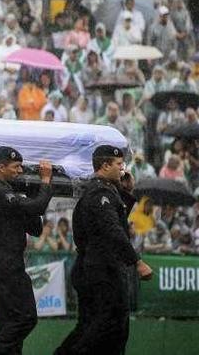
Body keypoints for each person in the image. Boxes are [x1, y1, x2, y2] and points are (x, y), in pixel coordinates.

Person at [56, 145, 153, 355]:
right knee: (108, 328)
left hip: (95, 267)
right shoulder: (100, 192)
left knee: (93, 328)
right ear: (105, 165)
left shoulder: (103, 192)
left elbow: (112, 220)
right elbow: (112, 230)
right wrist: (136, 261)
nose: (122, 169)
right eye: (119, 164)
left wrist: (126, 193)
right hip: (103, 269)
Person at [0, 147, 54, 354]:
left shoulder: (7, 193)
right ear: (1, 167)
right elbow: (37, 208)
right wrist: (45, 181)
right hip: (5, 264)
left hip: (8, 263)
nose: (19, 171)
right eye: (15, 167)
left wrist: (30, 192)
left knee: (11, 323)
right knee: (25, 319)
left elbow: (35, 228)